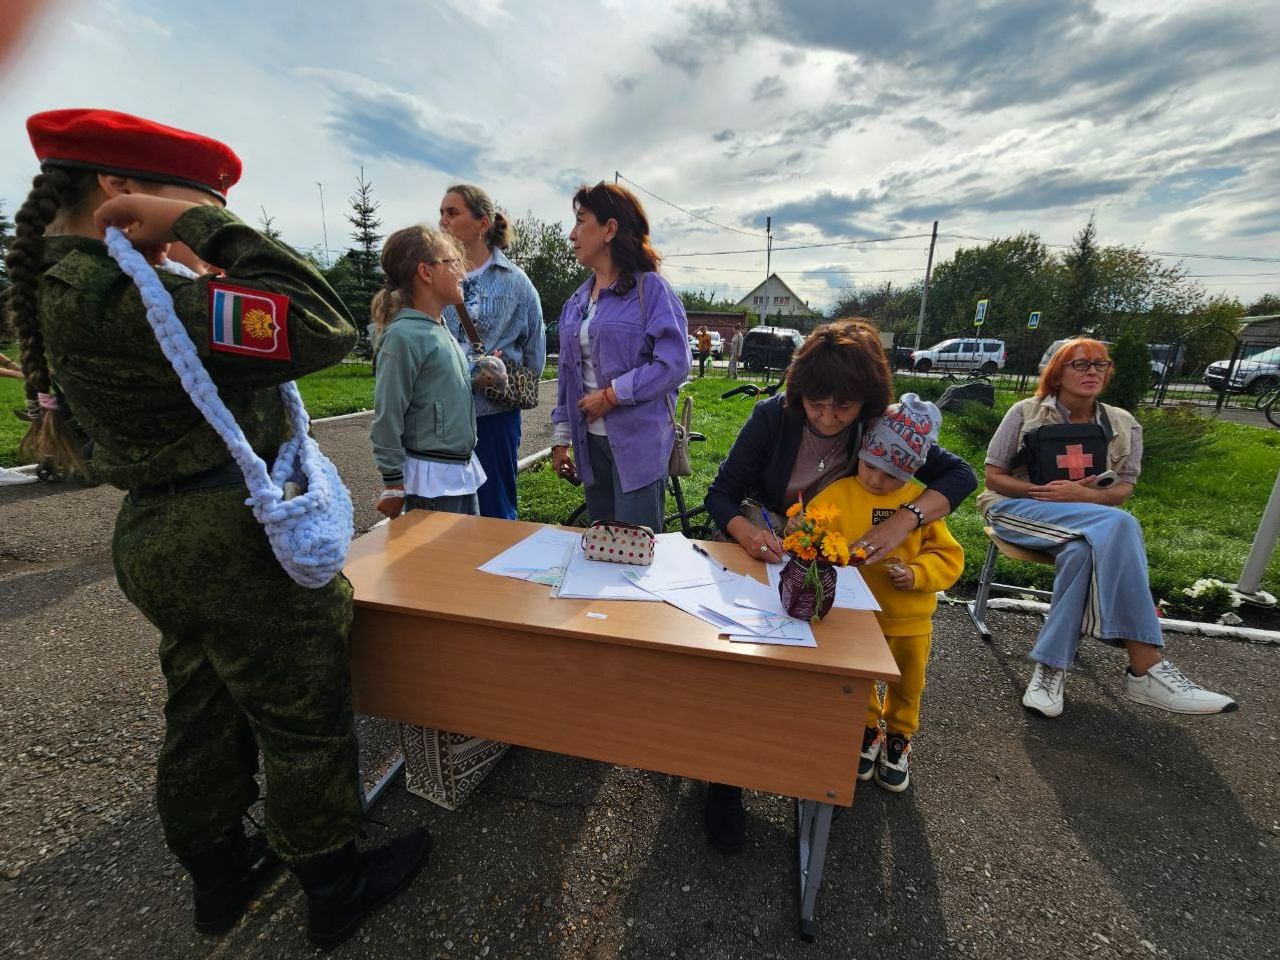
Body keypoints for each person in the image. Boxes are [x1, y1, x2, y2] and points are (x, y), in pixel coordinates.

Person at [6, 108, 428, 948]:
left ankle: (218, 873)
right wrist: (205, 225)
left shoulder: (59, 289)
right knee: (300, 709)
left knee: (202, 704)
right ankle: (334, 881)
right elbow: (319, 324)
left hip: (160, 529)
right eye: (182, 199)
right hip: (235, 538)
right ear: (119, 191)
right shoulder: (130, 294)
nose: (182, 229)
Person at [701, 318, 977, 853]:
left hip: (836, 573)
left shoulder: (882, 425)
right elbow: (721, 494)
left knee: (822, 669)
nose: (827, 418)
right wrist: (748, 532)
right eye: (814, 403)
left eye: (842, 408)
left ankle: (816, 760)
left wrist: (905, 520)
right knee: (747, 661)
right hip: (769, 548)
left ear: (867, 403)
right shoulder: (771, 416)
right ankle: (725, 780)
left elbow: (961, 475)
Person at [979, 338, 1237, 719]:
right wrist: (1049, 493)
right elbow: (993, 476)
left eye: (1101, 365)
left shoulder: (1123, 423)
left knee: (1083, 552)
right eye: (1081, 364)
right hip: (1017, 510)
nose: (1093, 372)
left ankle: (1051, 668)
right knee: (1122, 525)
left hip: (1086, 522)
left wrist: (1081, 498)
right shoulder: (1025, 412)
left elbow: (1123, 488)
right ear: (1058, 372)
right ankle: (1146, 665)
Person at [811, 395, 963, 793]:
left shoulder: (919, 506)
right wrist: (819, 548)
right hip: (856, 617)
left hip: (910, 622)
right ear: (861, 452)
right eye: (870, 465)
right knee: (859, 679)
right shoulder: (839, 493)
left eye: (892, 475)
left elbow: (949, 557)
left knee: (908, 683)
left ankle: (899, 736)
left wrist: (917, 574)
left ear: (913, 472)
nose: (877, 480)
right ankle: (865, 730)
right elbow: (808, 528)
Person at [550, 182, 690, 533]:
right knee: (600, 544)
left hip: (639, 446)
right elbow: (569, 375)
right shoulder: (576, 303)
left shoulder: (651, 290)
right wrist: (561, 438)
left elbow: (674, 363)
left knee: (635, 552)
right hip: (589, 445)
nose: (572, 234)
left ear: (610, 228)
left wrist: (613, 396)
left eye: (581, 221)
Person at [370, 225, 501, 520]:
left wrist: (473, 379)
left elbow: (433, 387)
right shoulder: (404, 336)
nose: (462, 272)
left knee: (464, 561)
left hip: (458, 472)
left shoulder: (439, 329)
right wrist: (393, 483)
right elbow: (388, 413)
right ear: (426, 273)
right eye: (453, 262)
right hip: (434, 483)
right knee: (439, 565)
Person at [439, 184, 545, 520]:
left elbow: (535, 357)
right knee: (442, 514)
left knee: (494, 511)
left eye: (452, 212)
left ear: (483, 223)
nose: (443, 220)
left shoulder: (516, 282)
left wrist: (502, 378)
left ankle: (496, 573)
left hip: (493, 418)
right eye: (441, 212)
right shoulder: (433, 276)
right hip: (440, 414)